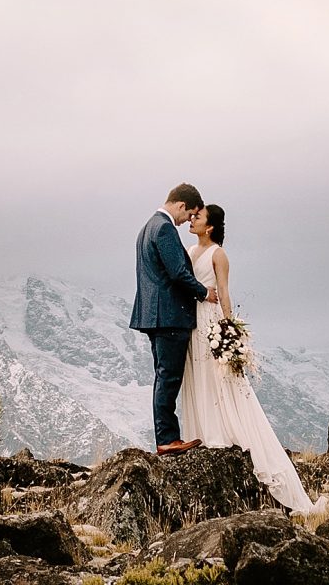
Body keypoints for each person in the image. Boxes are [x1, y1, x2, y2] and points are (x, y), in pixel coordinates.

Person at [178, 204, 320, 513]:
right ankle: (203, 431)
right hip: (193, 319)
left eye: (197, 217)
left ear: (210, 226)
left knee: (218, 377)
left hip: (210, 320)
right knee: (198, 376)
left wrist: (229, 331)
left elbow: (225, 292)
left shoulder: (218, 254)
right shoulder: (190, 250)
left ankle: (224, 433)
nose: (192, 220)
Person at [129, 183, 217, 455]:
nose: (187, 221)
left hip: (154, 315)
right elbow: (178, 272)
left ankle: (167, 437)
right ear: (181, 206)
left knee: (164, 376)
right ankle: (167, 439)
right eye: (189, 214)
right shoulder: (164, 228)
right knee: (168, 378)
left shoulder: (147, 227)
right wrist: (204, 293)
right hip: (169, 315)